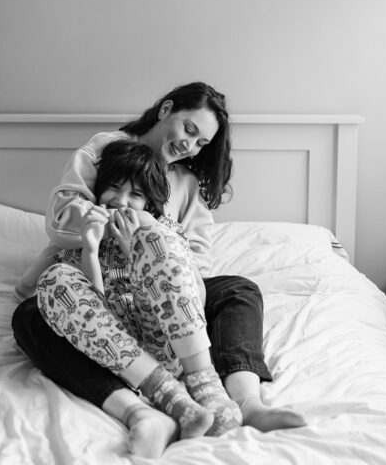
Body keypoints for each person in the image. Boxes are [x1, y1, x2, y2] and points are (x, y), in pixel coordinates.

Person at [13, 81, 306, 458]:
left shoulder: (184, 181)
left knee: (238, 289)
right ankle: (140, 410)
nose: (190, 145)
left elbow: (197, 258)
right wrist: (107, 232)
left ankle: (245, 402)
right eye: (189, 129)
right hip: (97, 285)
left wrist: (153, 243)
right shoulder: (105, 149)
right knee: (29, 317)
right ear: (167, 110)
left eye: (201, 142)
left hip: (165, 294)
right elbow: (63, 215)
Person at [20, 140, 241, 440]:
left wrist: (132, 247)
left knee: (155, 239)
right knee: (53, 279)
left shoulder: (163, 231)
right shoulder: (83, 236)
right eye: (114, 188)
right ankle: (173, 400)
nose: (121, 201)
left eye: (135, 194)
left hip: (164, 341)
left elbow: (194, 297)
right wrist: (90, 248)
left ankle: (206, 385)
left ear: (149, 203)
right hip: (114, 352)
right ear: (98, 192)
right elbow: (91, 314)